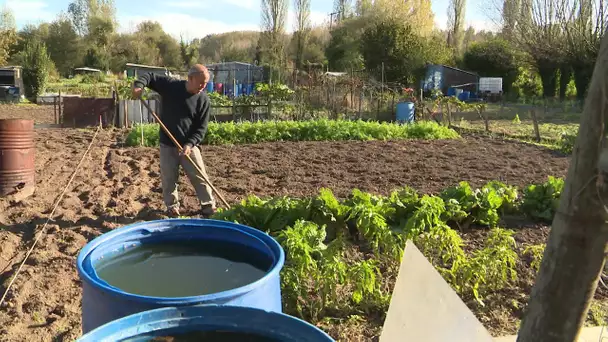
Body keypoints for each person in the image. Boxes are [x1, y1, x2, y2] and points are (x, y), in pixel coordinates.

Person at [132, 64, 216, 218]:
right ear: (190, 78)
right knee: (169, 178)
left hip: (189, 146)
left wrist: (190, 144)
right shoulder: (171, 86)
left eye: (205, 84)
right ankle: (172, 207)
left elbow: (201, 129)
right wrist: (139, 86)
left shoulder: (203, 100)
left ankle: (208, 206)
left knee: (200, 176)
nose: (203, 87)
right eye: (201, 83)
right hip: (167, 144)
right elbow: (150, 76)